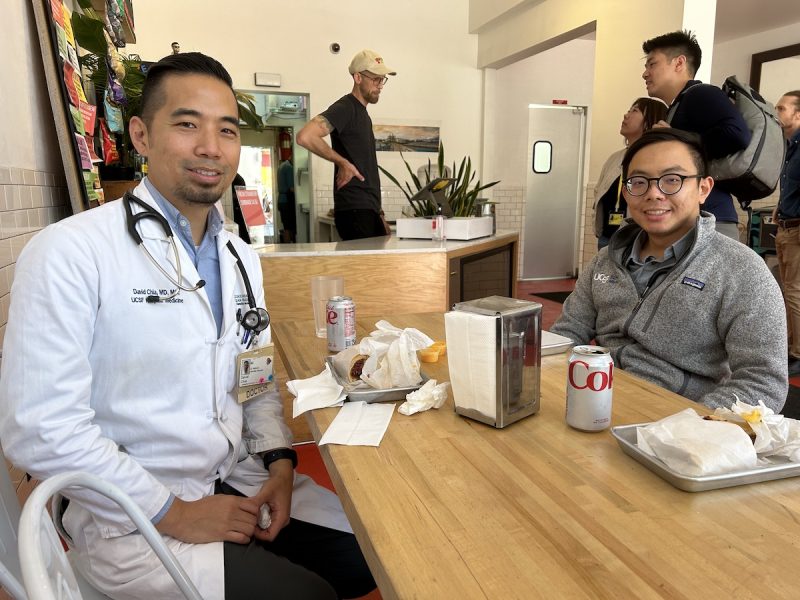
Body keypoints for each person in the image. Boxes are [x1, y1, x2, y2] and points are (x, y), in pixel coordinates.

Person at [0, 52, 375, 600]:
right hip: (132, 513)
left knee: (370, 555)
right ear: (141, 135)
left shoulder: (240, 257)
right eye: (186, 124)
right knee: (306, 594)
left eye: (226, 129)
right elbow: (41, 428)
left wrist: (277, 463)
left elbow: (256, 374)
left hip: (237, 478)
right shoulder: (70, 251)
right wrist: (172, 512)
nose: (210, 146)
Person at [551, 128, 787, 412]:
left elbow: (763, 382)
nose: (653, 193)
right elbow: (567, 334)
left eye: (672, 180)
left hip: (679, 419)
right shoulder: (604, 261)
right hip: (593, 402)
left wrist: (688, 426)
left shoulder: (741, 270)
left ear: (703, 189)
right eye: (638, 182)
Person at [641, 30, 750, 241]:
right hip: (693, 218)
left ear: (679, 63)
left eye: (652, 64)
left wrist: (675, 139)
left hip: (711, 220)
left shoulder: (701, 94)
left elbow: (737, 135)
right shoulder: (679, 105)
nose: (645, 73)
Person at [297, 49, 395, 240]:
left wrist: (379, 214)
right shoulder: (346, 107)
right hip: (355, 211)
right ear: (358, 78)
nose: (380, 85)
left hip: (367, 210)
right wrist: (343, 163)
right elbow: (305, 136)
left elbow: (367, 169)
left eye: (382, 79)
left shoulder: (362, 114)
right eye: (375, 79)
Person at [594, 98, 667, 249]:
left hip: (637, 239)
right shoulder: (614, 158)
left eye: (634, 111)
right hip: (607, 237)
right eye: (628, 110)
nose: (626, 115)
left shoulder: (656, 158)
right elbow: (598, 193)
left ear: (650, 120)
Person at [773, 91, 800, 375]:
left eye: (782, 107)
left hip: (797, 229)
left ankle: (797, 354)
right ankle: (791, 347)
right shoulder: (790, 147)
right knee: (789, 289)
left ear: (798, 114)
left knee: (794, 290)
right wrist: (780, 209)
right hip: (785, 225)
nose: (776, 112)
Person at [277, 153, 296, 242]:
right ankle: (290, 248)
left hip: (281, 200)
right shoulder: (289, 167)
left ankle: (286, 246)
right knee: (289, 227)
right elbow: (292, 188)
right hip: (287, 201)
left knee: (285, 226)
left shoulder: (281, 166)